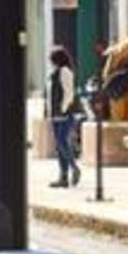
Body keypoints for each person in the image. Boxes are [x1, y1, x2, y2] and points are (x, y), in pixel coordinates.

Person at [47, 47, 84, 188]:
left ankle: (75, 168)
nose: (50, 61)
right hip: (55, 115)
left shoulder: (65, 71)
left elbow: (69, 93)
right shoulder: (54, 73)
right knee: (59, 146)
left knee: (63, 143)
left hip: (66, 115)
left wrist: (62, 109)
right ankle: (63, 177)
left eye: (52, 58)